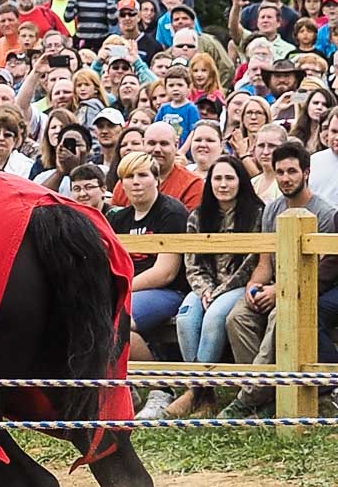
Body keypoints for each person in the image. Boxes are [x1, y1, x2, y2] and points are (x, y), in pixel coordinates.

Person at [220, 142, 338, 417]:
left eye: (292, 172)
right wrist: (254, 285)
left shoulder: (325, 213)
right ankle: (268, 395)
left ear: (306, 173)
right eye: (281, 172)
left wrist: (279, 292)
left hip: (306, 290)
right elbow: (264, 262)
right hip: (274, 285)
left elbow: (322, 272)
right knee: (236, 317)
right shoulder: (271, 210)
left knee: (280, 316)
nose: (286, 178)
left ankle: (247, 399)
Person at [167, 155, 262, 418]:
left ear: (240, 181)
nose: (223, 184)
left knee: (214, 317)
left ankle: (194, 392)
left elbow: (251, 264)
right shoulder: (198, 216)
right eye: (217, 178)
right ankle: (205, 396)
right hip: (204, 287)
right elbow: (192, 262)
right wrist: (205, 291)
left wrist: (217, 293)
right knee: (185, 318)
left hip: (236, 287)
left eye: (229, 178)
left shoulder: (257, 215)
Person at [106, 150, 190, 415]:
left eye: (143, 175)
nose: (136, 182)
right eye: (129, 177)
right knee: (99, 318)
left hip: (168, 291)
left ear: (157, 179)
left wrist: (122, 287)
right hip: (129, 289)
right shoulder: (118, 218)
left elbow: (165, 272)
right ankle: (124, 385)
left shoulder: (171, 212)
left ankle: (161, 387)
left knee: (117, 320)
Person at [110, 121, 203, 210]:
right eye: (151, 143)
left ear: (176, 146)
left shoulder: (192, 183)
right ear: (143, 143)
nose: (157, 149)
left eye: (164, 144)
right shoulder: (127, 181)